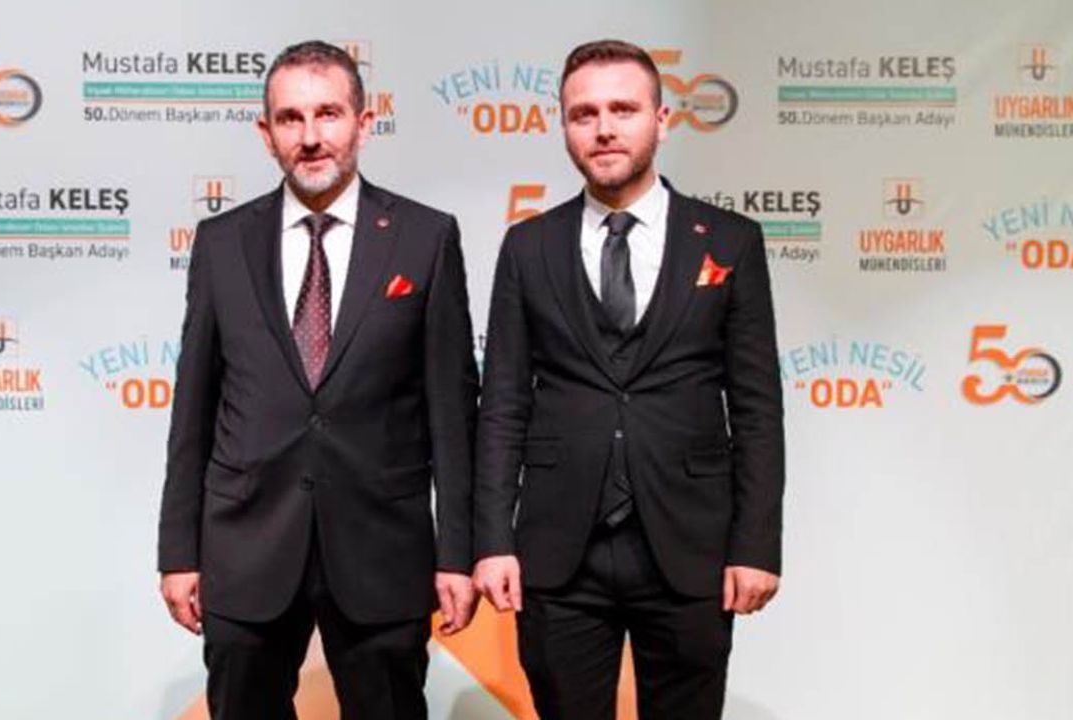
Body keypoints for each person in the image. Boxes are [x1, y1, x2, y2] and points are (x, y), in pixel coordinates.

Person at [156, 40, 479, 720]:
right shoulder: (221, 242)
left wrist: (457, 555)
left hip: (381, 551)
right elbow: (193, 411)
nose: (310, 136)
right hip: (245, 548)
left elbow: (453, 416)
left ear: (364, 122)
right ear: (266, 132)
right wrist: (178, 552)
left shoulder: (425, 238)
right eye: (291, 118)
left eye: (328, 114)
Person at [472, 39, 785, 720]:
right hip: (559, 550)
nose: (604, 128)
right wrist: (492, 539)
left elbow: (758, 407)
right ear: (564, 128)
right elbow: (502, 404)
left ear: (662, 120)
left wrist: (756, 545)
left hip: (690, 545)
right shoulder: (528, 246)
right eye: (584, 114)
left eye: (623, 109)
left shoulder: (729, 240)